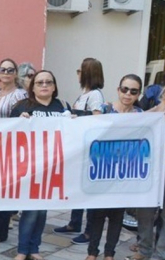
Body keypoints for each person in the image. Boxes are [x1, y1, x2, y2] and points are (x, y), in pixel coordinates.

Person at [82, 74, 144, 260]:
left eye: (133, 91)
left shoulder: (141, 115)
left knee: (117, 217)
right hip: (101, 171)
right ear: (118, 89)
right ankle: (92, 252)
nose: (128, 94)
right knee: (97, 216)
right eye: (125, 89)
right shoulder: (104, 109)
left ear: (138, 94)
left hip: (124, 174)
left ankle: (110, 254)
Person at [9, 70, 70, 260]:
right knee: (30, 210)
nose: (44, 85)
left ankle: (34, 249)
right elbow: (8, 135)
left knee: (42, 212)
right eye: (40, 82)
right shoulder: (22, 107)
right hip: (29, 167)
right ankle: (22, 250)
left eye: (48, 82)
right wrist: (20, 123)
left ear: (54, 87)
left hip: (52, 168)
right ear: (32, 87)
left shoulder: (62, 107)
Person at [54, 57, 105, 245]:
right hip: (78, 146)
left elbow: (97, 118)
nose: (77, 74)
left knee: (86, 189)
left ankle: (89, 231)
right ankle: (74, 222)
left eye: (80, 70)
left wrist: (78, 115)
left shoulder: (95, 95)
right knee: (76, 186)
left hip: (88, 147)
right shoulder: (84, 94)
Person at [127, 77, 165, 260]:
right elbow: (141, 118)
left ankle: (160, 255)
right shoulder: (163, 106)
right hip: (152, 165)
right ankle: (144, 249)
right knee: (144, 208)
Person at [0, 59, 27, 243]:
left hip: (11, 147)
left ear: (15, 73)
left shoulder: (20, 95)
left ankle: (0, 230)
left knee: (6, 189)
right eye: (3, 69)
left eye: (10, 69)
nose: (6, 72)